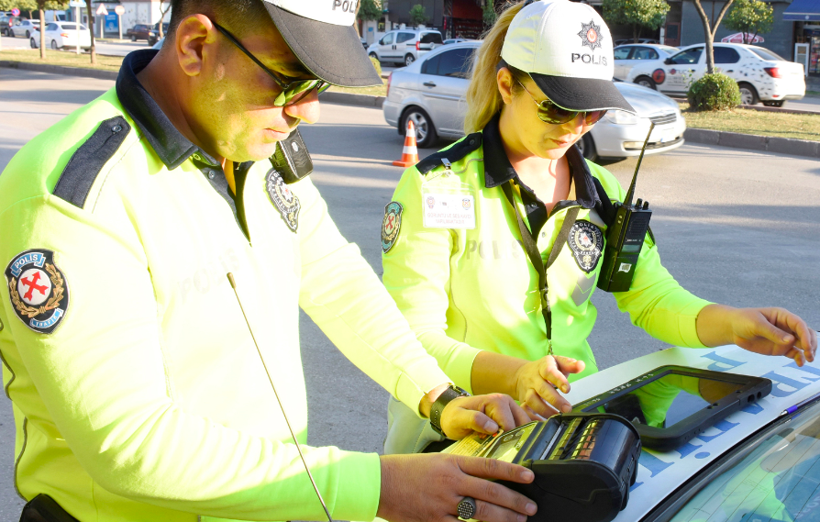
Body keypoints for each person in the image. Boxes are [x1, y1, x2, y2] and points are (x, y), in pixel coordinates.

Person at [0, 1, 542, 521]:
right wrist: (381, 487)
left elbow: (334, 277)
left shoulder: (251, 146)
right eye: (290, 79)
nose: (309, 110)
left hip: (274, 499)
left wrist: (438, 395)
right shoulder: (72, 196)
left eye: (320, 84)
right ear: (195, 46)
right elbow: (130, 441)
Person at [380, 0, 817, 454]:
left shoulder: (601, 189)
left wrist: (734, 323)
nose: (575, 127)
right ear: (507, 84)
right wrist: (515, 375)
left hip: (572, 422)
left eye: (591, 112)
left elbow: (651, 296)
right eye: (556, 109)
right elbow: (414, 337)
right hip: (461, 431)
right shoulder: (438, 187)